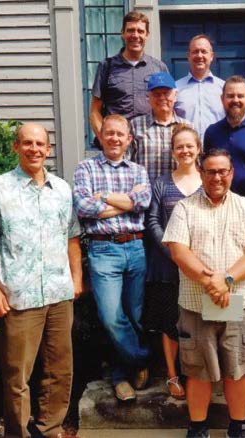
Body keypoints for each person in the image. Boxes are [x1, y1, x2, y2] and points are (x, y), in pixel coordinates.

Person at [0, 123, 83, 438]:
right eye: (27, 143)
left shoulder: (61, 189)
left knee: (59, 371)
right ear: (16, 147)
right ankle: (18, 433)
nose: (34, 149)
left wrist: (77, 278)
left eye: (40, 144)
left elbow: (72, 238)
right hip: (19, 297)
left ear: (48, 150)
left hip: (59, 294)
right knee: (18, 376)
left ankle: (50, 428)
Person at [163, 148, 245, 438]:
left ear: (232, 173)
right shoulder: (184, 208)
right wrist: (210, 282)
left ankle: (239, 426)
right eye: (211, 171)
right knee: (197, 369)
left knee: (238, 368)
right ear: (201, 173)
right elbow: (178, 250)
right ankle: (198, 428)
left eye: (223, 171)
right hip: (196, 303)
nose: (217, 177)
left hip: (240, 303)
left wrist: (226, 280)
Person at [72, 114, 151, 402]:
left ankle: (120, 374)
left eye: (121, 134)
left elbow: (143, 203)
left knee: (135, 315)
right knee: (111, 316)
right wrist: (125, 202)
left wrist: (103, 196)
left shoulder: (138, 170)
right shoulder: (85, 168)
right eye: (110, 133)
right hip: (103, 249)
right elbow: (83, 206)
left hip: (136, 248)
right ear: (101, 136)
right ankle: (143, 358)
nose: (115, 138)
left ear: (129, 139)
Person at [144, 124, 203, 400]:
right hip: (167, 265)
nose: (185, 150)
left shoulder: (209, 179)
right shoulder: (161, 183)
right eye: (179, 146)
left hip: (204, 265)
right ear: (173, 151)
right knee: (170, 322)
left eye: (189, 145)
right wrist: (173, 252)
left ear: (198, 149)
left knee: (201, 320)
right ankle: (172, 375)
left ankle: (198, 374)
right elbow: (153, 221)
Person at [89, 11, 168, 138]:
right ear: (123, 33)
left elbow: (167, 107)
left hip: (148, 141)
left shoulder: (158, 68)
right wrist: (103, 138)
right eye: (131, 30)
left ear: (147, 35)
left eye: (140, 31)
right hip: (117, 140)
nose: (135, 35)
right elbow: (94, 110)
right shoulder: (106, 67)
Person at [130, 72, 191, 184]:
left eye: (166, 93)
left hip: (177, 195)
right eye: (156, 94)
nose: (162, 97)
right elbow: (126, 163)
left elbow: (195, 164)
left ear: (175, 95)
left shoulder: (187, 127)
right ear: (149, 97)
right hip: (144, 195)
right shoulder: (135, 125)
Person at [175, 35, 225, 140]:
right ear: (188, 56)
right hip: (187, 151)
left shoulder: (224, 88)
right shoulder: (176, 88)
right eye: (195, 51)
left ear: (211, 56)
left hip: (217, 151)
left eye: (204, 51)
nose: (199, 55)